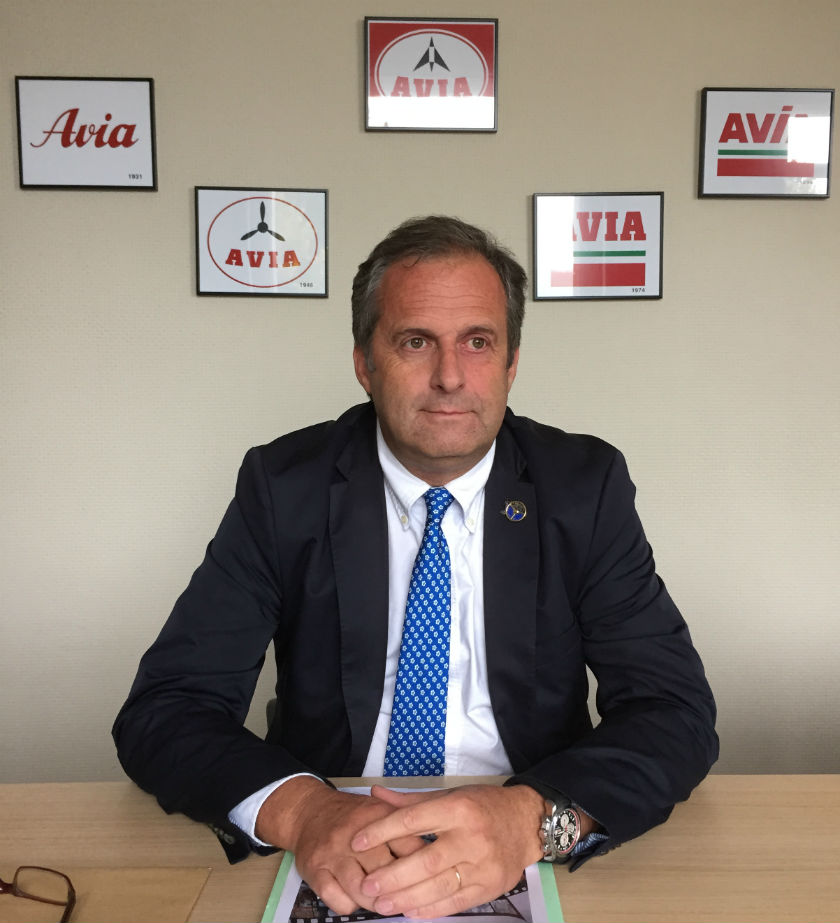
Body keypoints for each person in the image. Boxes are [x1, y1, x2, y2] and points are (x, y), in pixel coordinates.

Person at [113, 215, 718, 920]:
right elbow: (167, 708)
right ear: (364, 363)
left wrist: (532, 820)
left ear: (511, 363)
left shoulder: (583, 487)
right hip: (340, 831)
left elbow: (673, 711)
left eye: (478, 342)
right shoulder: (285, 487)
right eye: (415, 342)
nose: (450, 377)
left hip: (520, 828)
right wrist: (304, 811)